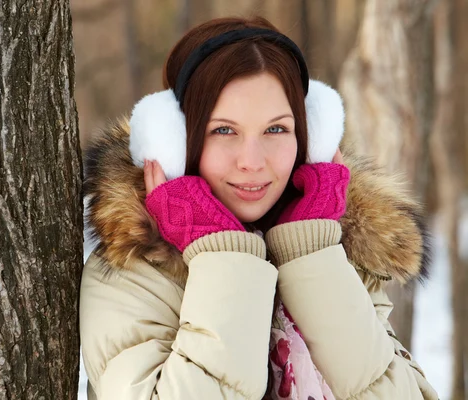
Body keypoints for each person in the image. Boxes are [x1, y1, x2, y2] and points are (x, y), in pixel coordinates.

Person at [80, 16, 438, 400]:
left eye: (276, 130)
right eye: (223, 130)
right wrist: (221, 255)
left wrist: (311, 255)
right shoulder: (132, 272)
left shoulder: (342, 257)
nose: (252, 161)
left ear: (309, 138)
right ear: (175, 140)